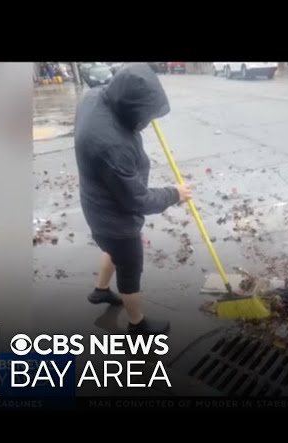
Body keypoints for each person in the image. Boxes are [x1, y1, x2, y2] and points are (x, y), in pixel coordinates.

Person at [74, 63, 192, 335]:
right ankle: (137, 325)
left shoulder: (96, 96)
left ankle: (100, 291)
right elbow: (137, 200)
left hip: (96, 202)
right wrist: (174, 194)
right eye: (145, 114)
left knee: (113, 250)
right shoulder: (111, 145)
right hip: (113, 217)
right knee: (129, 268)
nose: (148, 121)